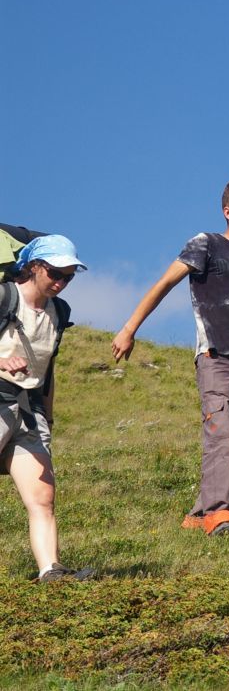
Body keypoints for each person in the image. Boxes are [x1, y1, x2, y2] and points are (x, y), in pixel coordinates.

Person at [112, 179, 229, 536]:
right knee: (222, 438)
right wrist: (129, 329)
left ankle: (200, 513)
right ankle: (221, 515)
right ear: (228, 212)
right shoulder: (207, 244)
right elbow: (164, 284)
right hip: (215, 357)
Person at [1, 235, 95, 582]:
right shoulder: (4, 297)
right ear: (35, 266)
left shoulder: (59, 312)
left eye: (69, 276)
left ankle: (50, 571)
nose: (61, 282)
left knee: (42, 496)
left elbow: (47, 370)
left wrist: (48, 417)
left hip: (28, 412)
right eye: (55, 272)